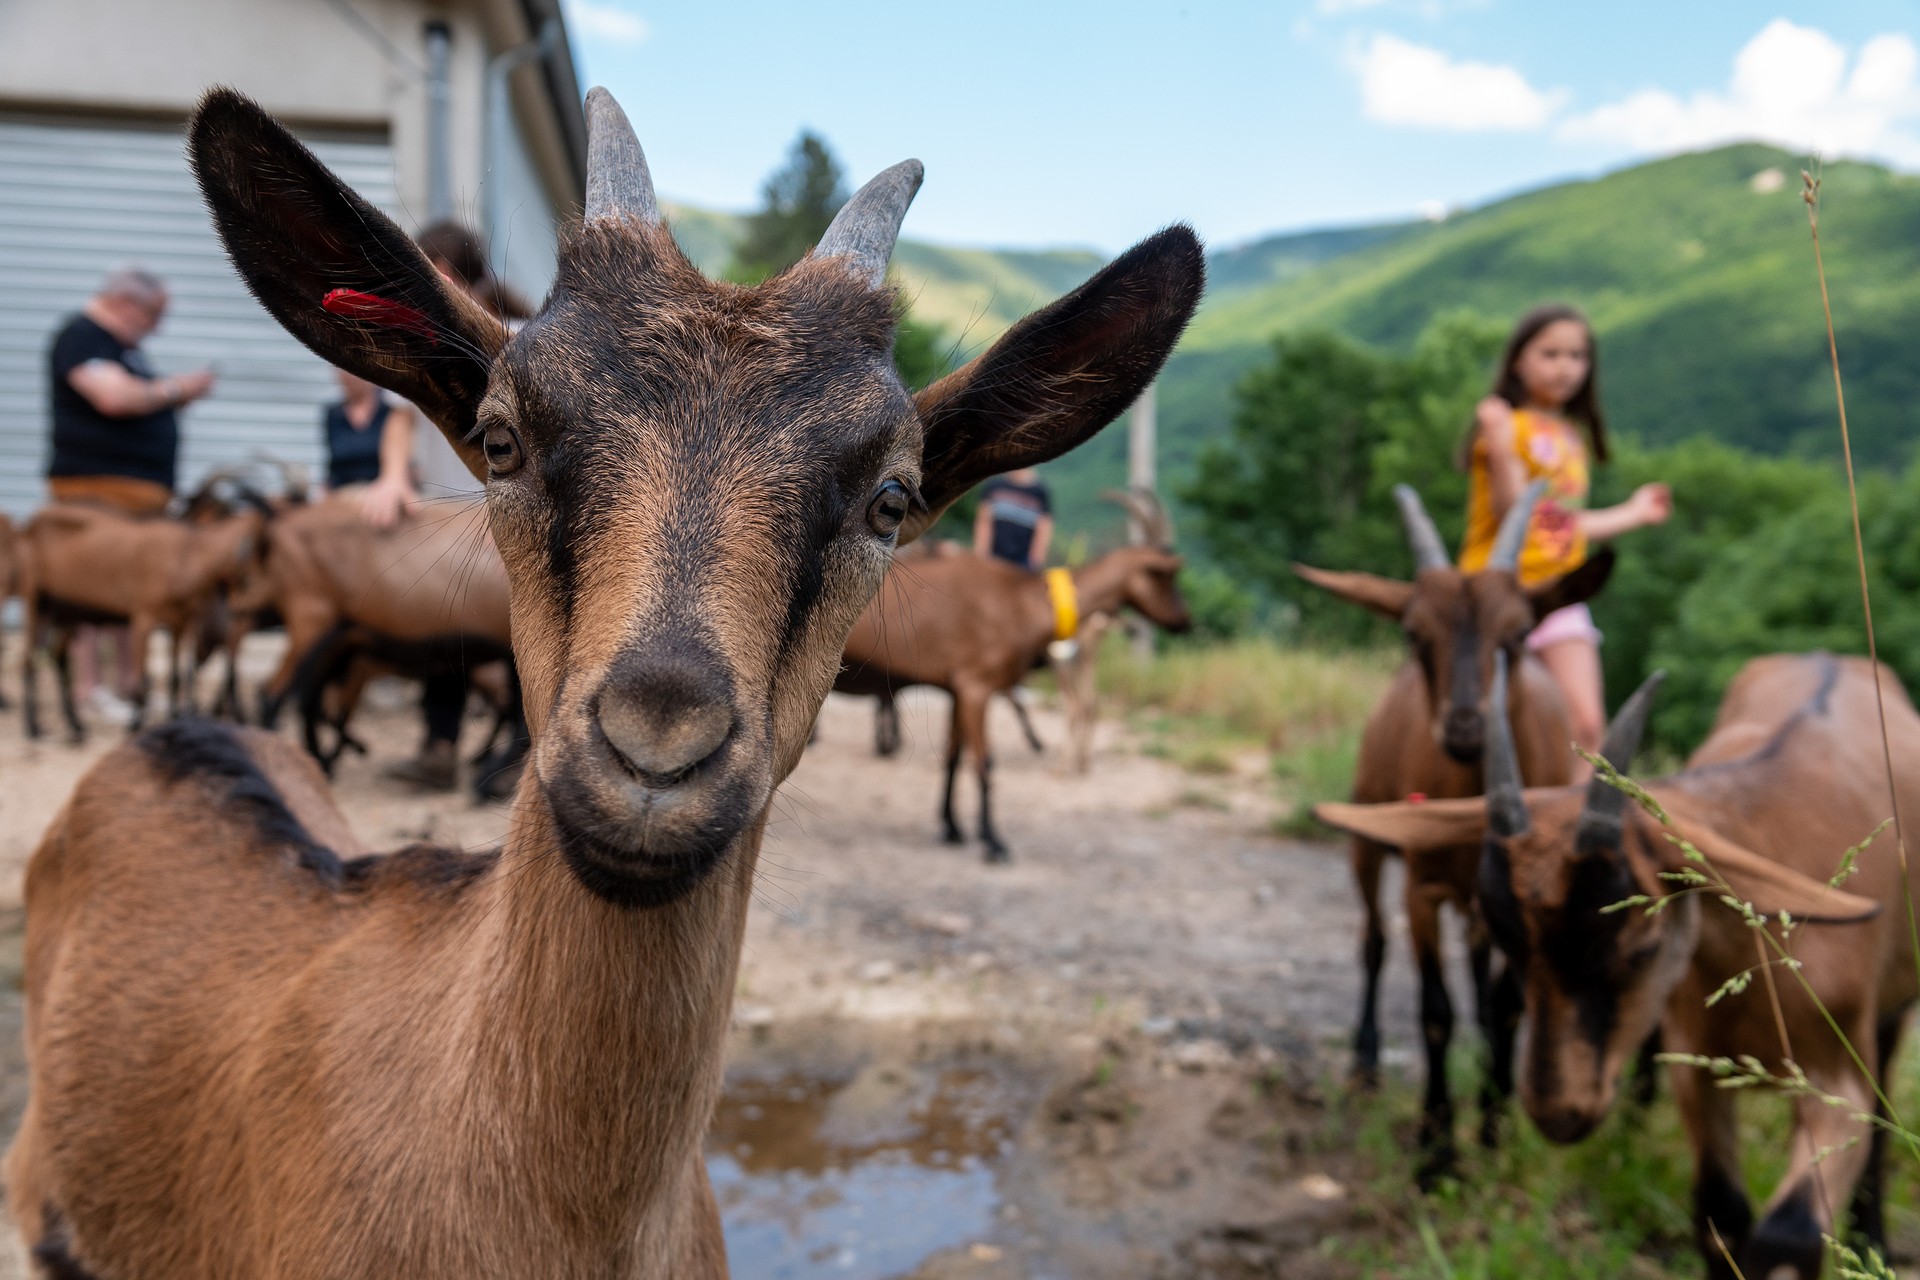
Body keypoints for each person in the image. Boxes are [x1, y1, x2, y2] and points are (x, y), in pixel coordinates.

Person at [1458, 304, 1671, 769]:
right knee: (1481, 721)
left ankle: (1572, 829)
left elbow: (1559, 523)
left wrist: (1634, 512)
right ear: (1518, 360)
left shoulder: (1570, 438)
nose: (1566, 367)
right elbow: (1513, 511)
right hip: (1496, 593)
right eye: (1550, 353)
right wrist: (1497, 440)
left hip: (1559, 594)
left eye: (1577, 356)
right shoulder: (1506, 426)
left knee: (1587, 724)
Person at [377, 222, 531, 791]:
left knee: (519, 633)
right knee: (446, 632)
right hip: (447, 519)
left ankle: (521, 751)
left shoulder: (520, 339)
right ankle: (439, 748)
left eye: (428, 272)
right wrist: (392, 478)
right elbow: (398, 419)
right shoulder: (424, 343)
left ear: (452, 275)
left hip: (506, 515)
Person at [46, 265, 215, 724]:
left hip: (135, 496)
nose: (157, 326)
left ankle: (127, 684)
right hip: (95, 490)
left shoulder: (121, 348)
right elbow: (114, 398)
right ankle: (90, 688)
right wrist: (180, 387)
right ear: (126, 303)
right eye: (155, 314)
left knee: (128, 594)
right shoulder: (82, 337)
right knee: (87, 588)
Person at [322, 368, 418, 527]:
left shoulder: (390, 408)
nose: (351, 376)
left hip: (381, 493)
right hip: (344, 495)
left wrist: (397, 480)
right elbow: (333, 464)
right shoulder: (333, 414)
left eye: (352, 369)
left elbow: (404, 451)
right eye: (343, 370)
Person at [974, 467, 1053, 569]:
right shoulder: (994, 486)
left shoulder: (1040, 492)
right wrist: (981, 554)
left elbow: (1043, 528)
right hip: (994, 558)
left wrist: (1035, 561)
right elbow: (984, 521)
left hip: (1023, 563)